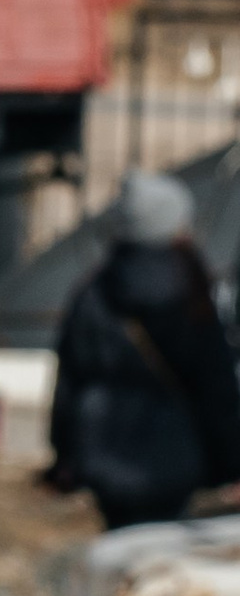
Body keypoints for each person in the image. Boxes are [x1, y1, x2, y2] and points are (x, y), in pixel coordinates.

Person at [50, 167, 240, 531]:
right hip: (176, 454)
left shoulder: (93, 291)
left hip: (102, 451)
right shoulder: (191, 291)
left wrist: (64, 457)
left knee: (121, 546)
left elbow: (69, 381)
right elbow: (215, 384)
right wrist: (231, 460)